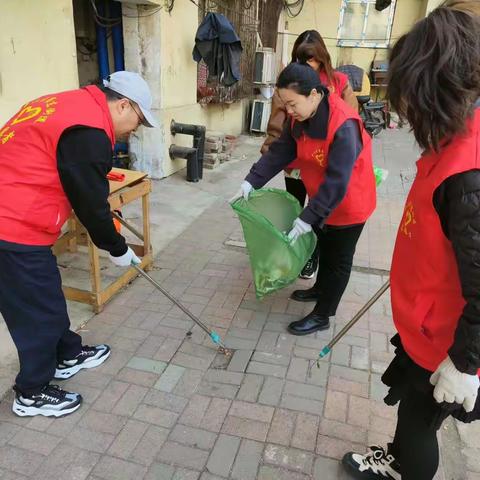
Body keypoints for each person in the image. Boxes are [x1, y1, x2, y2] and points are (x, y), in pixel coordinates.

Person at [342, 7, 480, 480]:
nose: (404, 110)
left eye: (409, 98)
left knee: (420, 423)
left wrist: (465, 363)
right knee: (410, 415)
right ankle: (397, 461)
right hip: (429, 324)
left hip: (450, 343)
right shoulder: (451, 141)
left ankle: (408, 469)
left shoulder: (470, 173)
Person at [0, 71, 158, 417]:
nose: (135, 129)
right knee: (34, 311)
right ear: (123, 105)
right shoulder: (89, 131)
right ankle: (31, 391)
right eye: (138, 120)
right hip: (10, 224)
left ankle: (67, 353)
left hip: (19, 216)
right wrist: (116, 247)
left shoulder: (71, 104)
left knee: (45, 294)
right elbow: (91, 202)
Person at [233, 62, 376, 336]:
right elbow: (281, 151)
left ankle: (323, 314)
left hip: (349, 202)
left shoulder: (343, 125)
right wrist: (252, 180)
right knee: (322, 244)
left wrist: (308, 216)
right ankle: (320, 289)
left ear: (313, 94)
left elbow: (338, 181)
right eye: (285, 104)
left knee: (338, 259)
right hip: (323, 196)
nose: (288, 111)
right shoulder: (299, 118)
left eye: (292, 103)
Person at [261, 30, 359, 280]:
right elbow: (278, 124)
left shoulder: (338, 83)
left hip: (324, 164)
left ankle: (312, 255)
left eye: (311, 59)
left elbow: (349, 125)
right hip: (295, 160)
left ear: (322, 57)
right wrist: (266, 159)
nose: (306, 65)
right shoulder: (290, 84)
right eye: (300, 59)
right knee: (295, 209)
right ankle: (296, 253)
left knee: (317, 211)